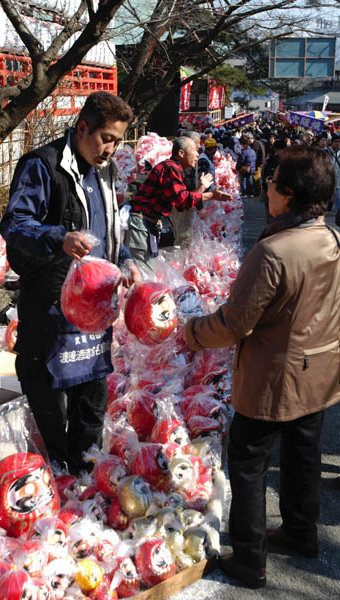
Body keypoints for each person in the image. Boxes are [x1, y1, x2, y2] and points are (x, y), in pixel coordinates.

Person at [183, 146, 340, 589]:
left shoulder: (273, 250)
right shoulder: (330, 238)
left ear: (287, 194)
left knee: (249, 462)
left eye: (271, 184)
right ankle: (300, 531)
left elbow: (235, 322)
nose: (265, 189)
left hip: (273, 376)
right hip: (320, 370)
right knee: (302, 457)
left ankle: (250, 558)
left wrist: (190, 332)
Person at [0, 91, 138, 475]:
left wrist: (123, 259)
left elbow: (106, 230)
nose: (110, 149)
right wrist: (59, 236)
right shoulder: (43, 166)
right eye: (106, 138)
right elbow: (14, 224)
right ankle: (54, 478)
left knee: (92, 399)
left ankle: (85, 476)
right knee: (49, 402)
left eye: (117, 141)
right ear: (82, 129)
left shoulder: (103, 172)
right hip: (50, 308)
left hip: (93, 313)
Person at [125, 136, 228, 275]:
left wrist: (202, 187)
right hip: (141, 224)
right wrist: (211, 195)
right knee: (144, 276)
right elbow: (182, 200)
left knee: (148, 273)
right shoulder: (169, 168)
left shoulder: (175, 169)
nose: (198, 154)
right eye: (195, 150)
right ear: (181, 153)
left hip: (148, 225)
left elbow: (182, 204)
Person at [171, 131, 201, 249]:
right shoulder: (181, 167)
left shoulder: (183, 163)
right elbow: (186, 191)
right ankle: (180, 262)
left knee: (181, 234)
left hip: (185, 203)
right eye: (197, 144)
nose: (199, 147)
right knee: (183, 236)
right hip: (183, 205)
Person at [244, 131, 265, 196]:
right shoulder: (249, 145)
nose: (247, 141)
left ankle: (258, 192)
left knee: (257, 179)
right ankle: (255, 192)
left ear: (251, 138)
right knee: (252, 179)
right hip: (251, 165)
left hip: (258, 164)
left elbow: (262, 153)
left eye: (248, 139)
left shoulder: (258, 143)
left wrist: (261, 163)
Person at [328, 132, 340, 215]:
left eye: (339, 141)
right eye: (336, 141)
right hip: (328, 182)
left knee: (338, 199)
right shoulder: (326, 152)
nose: (338, 143)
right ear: (332, 142)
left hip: (339, 182)